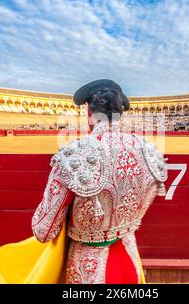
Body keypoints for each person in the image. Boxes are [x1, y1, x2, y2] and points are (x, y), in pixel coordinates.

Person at [31, 79, 168, 284]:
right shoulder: (148, 152)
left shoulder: (76, 154)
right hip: (129, 260)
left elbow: (43, 231)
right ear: (120, 113)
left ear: (88, 112)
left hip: (87, 268)